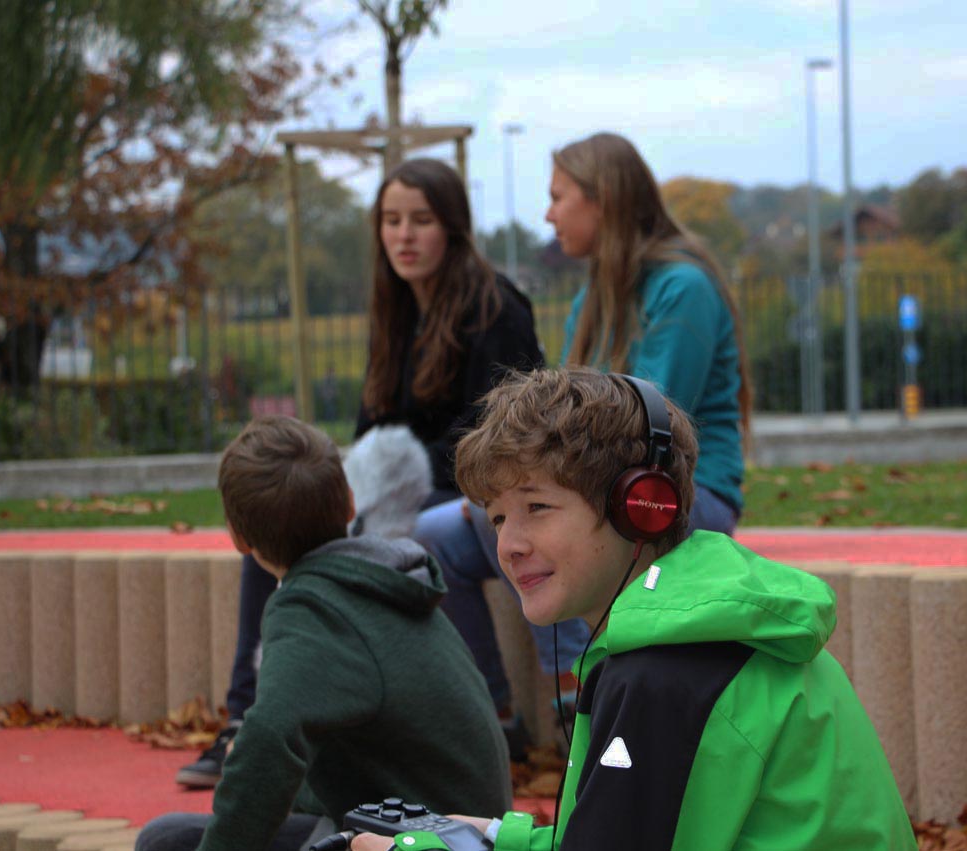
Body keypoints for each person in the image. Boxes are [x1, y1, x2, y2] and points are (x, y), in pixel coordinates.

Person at [351, 368, 915, 851]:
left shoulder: (666, 674)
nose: (509, 545)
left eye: (537, 507)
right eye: (497, 518)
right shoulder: (689, 628)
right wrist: (497, 836)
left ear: (641, 507)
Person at [176, 157, 554, 786]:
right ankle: (249, 716)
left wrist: (384, 485)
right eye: (391, 220)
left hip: (464, 488)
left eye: (420, 220)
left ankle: (490, 715)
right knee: (273, 527)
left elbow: (498, 439)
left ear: (452, 226)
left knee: (387, 531)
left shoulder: (496, 308)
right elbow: (372, 425)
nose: (403, 235)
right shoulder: (394, 307)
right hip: (396, 488)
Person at [416, 131, 751, 727]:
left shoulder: (683, 288)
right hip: (591, 484)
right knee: (437, 533)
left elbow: (652, 427)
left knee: (512, 517)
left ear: (603, 199)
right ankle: (489, 716)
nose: (548, 215)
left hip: (677, 491)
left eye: (557, 197)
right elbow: (566, 418)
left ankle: (579, 683)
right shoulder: (590, 299)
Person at [139, 415, 512, 851]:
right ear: (350, 503)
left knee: (165, 844)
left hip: (418, 838)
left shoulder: (315, 610)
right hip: (449, 826)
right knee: (170, 836)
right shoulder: (384, 577)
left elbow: (268, 744)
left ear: (238, 538)